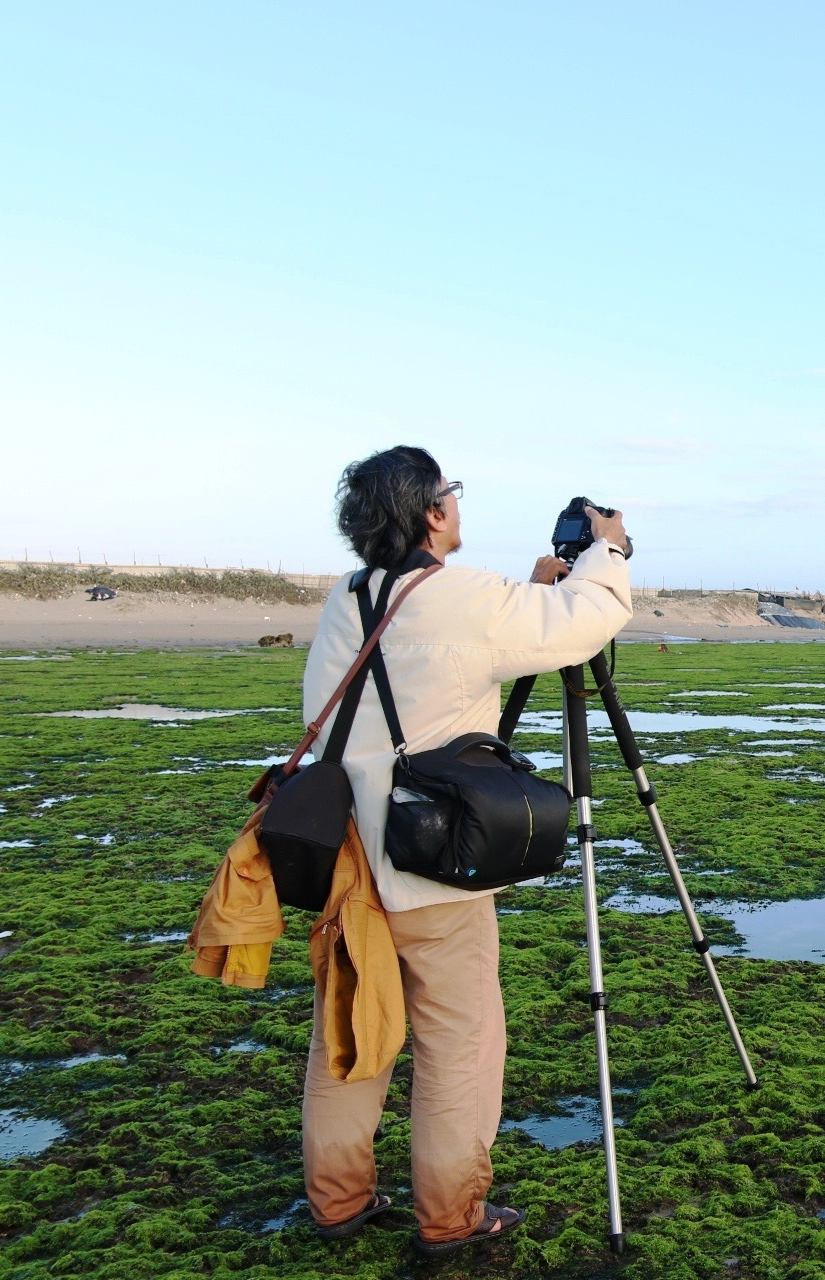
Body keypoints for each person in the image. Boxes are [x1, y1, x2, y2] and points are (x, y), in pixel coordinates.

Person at [298, 446, 633, 1255]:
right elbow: (585, 624)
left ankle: (338, 1201)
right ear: (432, 512)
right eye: (450, 491)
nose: (454, 503)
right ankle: (450, 1217)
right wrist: (610, 551)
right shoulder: (459, 597)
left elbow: (448, 643)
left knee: (351, 1034)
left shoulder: (346, 598)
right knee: (459, 1045)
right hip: (428, 863)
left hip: (344, 856)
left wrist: (530, 591)